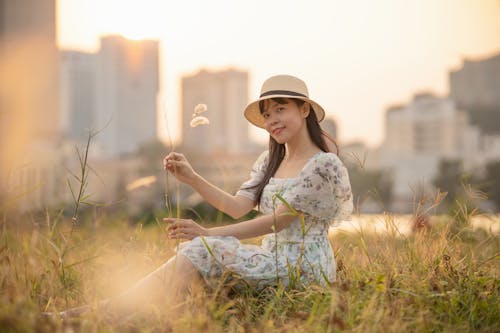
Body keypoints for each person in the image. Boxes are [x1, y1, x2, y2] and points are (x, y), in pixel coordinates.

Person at [55, 74, 353, 318]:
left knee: (202, 249)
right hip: (272, 258)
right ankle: (120, 314)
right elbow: (237, 207)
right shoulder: (269, 161)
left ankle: (98, 314)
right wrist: (192, 178)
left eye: (280, 109)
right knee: (196, 265)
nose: (272, 119)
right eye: (266, 114)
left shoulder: (323, 166)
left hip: (302, 268)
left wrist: (208, 232)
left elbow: (278, 222)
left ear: (304, 110)